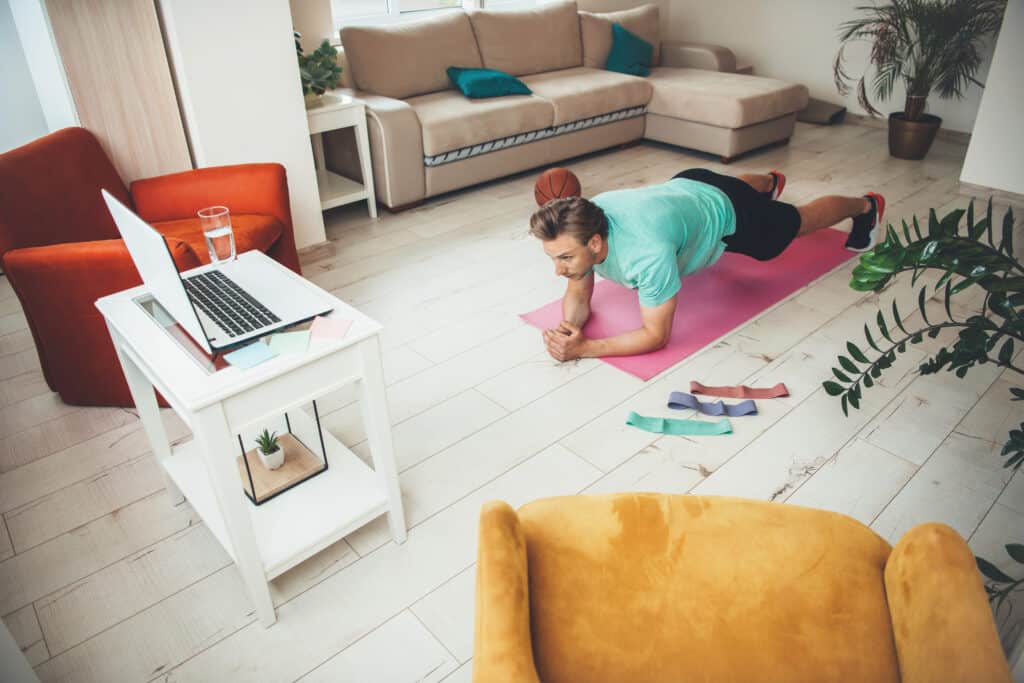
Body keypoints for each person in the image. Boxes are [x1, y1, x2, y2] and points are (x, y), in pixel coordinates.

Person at [529, 167, 884, 362]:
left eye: (564, 259)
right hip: (691, 181)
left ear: (594, 243)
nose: (559, 270)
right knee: (732, 187)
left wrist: (587, 349)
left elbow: (656, 335)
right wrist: (567, 330)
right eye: (554, 258)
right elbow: (578, 288)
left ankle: (865, 206)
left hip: (732, 214)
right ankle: (768, 182)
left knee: (800, 222)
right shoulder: (585, 220)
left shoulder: (646, 254)